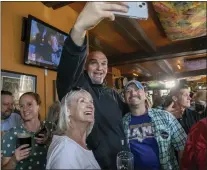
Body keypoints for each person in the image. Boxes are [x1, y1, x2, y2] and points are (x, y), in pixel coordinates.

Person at [56, 2, 129, 169]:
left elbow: (130, 115)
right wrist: (79, 28)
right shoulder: (78, 89)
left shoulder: (112, 94)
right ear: (85, 66)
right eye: (94, 63)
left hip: (122, 162)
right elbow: (69, 67)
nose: (100, 68)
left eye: (104, 64)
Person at [122, 80, 187, 170]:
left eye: (137, 89)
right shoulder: (122, 122)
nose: (133, 93)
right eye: (128, 91)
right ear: (124, 98)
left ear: (145, 95)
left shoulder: (165, 116)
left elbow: (183, 146)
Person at [46, 88, 100, 169]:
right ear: (68, 110)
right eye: (82, 101)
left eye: (91, 102)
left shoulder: (78, 144)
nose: (90, 105)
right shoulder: (65, 150)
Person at [1, 92, 55, 170]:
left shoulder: (51, 127)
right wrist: (14, 159)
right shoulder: (11, 134)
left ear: (38, 106)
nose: (25, 109)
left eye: (29, 104)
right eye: (21, 106)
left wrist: (50, 141)